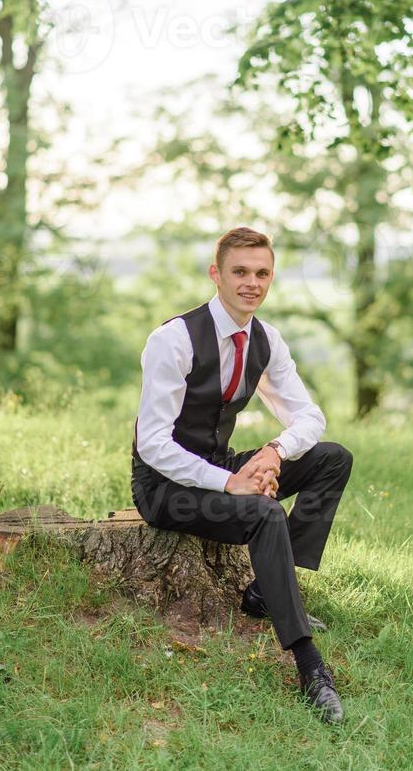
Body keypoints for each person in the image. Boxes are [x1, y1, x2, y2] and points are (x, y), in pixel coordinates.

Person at [131, 226, 353, 723]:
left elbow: (310, 417)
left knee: (332, 457)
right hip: (165, 487)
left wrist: (275, 451)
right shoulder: (174, 339)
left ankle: (263, 594)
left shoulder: (266, 340)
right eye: (240, 272)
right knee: (264, 510)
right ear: (217, 275)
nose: (251, 283)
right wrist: (230, 481)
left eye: (262, 273)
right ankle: (308, 664)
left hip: (220, 465)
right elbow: (152, 444)